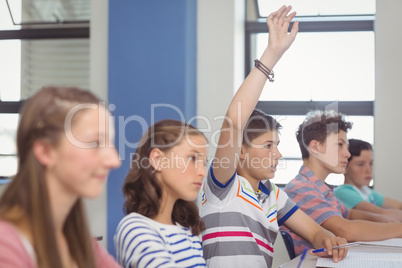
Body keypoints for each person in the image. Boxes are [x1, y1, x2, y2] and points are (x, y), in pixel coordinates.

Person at [200, 6, 348, 268]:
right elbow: (233, 123)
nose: (277, 154)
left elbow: (315, 232)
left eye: (277, 145)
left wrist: (327, 238)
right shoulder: (223, 186)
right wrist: (273, 53)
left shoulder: (273, 195)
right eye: (268, 145)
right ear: (240, 151)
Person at [0, 87, 122, 267]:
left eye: (110, 142)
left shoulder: (81, 244)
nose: (114, 161)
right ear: (46, 151)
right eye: (95, 143)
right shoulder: (6, 245)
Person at [282, 110, 402, 256]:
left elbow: (350, 214)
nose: (347, 153)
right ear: (315, 147)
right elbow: (346, 230)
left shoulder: (321, 189)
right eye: (339, 145)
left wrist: (385, 220)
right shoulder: (300, 188)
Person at [114, 119, 208, 267]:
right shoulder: (135, 229)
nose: (202, 172)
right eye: (192, 158)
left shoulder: (189, 232)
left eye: (204, 163)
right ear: (158, 160)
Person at [334, 139, 402, 221]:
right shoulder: (343, 192)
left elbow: (398, 206)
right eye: (360, 164)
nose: (369, 170)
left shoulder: (366, 191)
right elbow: (381, 213)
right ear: (344, 167)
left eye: (371, 163)